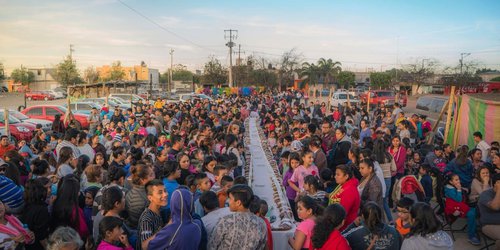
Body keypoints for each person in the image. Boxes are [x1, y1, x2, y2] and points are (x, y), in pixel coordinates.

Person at [208, 184, 267, 250]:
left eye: (230, 199)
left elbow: (212, 246)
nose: (228, 201)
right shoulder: (261, 223)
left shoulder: (225, 221)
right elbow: (262, 246)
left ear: (238, 202)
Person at [444, 173, 479, 245]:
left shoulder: (452, 187)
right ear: (451, 182)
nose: (458, 181)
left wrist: (461, 188)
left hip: (459, 206)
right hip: (455, 208)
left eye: (458, 179)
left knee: (475, 210)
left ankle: (473, 227)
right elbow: (459, 199)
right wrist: (459, 189)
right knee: (472, 213)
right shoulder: (450, 190)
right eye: (456, 180)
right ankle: (471, 236)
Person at [50, 175, 88, 239]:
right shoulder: (75, 209)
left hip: (59, 237)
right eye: (78, 190)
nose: (79, 193)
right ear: (74, 192)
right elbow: (83, 229)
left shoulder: (56, 202)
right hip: (73, 239)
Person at [329, 164, 360, 231]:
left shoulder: (349, 190)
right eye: (335, 174)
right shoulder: (343, 185)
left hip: (346, 226)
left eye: (338, 175)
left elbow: (342, 212)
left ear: (346, 176)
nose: (335, 177)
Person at [21, 178, 50, 250]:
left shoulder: (27, 204)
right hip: (37, 246)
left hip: (29, 244)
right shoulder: (41, 210)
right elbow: (42, 236)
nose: (48, 190)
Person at [137, 180, 166, 250]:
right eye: (160, 193)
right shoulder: (147, 219)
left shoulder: (160, 210)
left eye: (165, 191)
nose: (165, 194)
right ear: (150, 198)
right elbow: (144, 246)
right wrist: (166, 228)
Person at [125, 164, 155, 229]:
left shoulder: (130, 192)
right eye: (151, 175)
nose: (153, 177)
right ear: (142, 180)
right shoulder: (146, 197)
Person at [478, 173, 500, 249]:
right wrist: (499, 191)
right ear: (496, 184)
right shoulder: (485, 195)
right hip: (489, 225)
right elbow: (495, 206)